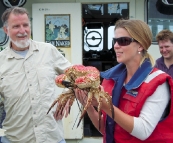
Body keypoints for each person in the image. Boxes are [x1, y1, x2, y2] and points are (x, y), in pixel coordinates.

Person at [75, 19, 173, 143]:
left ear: (140, 45)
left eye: (123, 41)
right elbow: (106, 130)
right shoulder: (110, 80)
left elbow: (143, 131)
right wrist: (88, 106)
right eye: (115, 41)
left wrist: (106, 106)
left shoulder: (158, 82)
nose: (116, 45)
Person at [0, 6, 72, 143]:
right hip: (15, 138)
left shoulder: (48, 51)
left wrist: (68, 96)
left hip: (52, 137)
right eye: (16, 26)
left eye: (25, 25)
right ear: (6, 30)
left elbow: (76, 75)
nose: (22, 31)